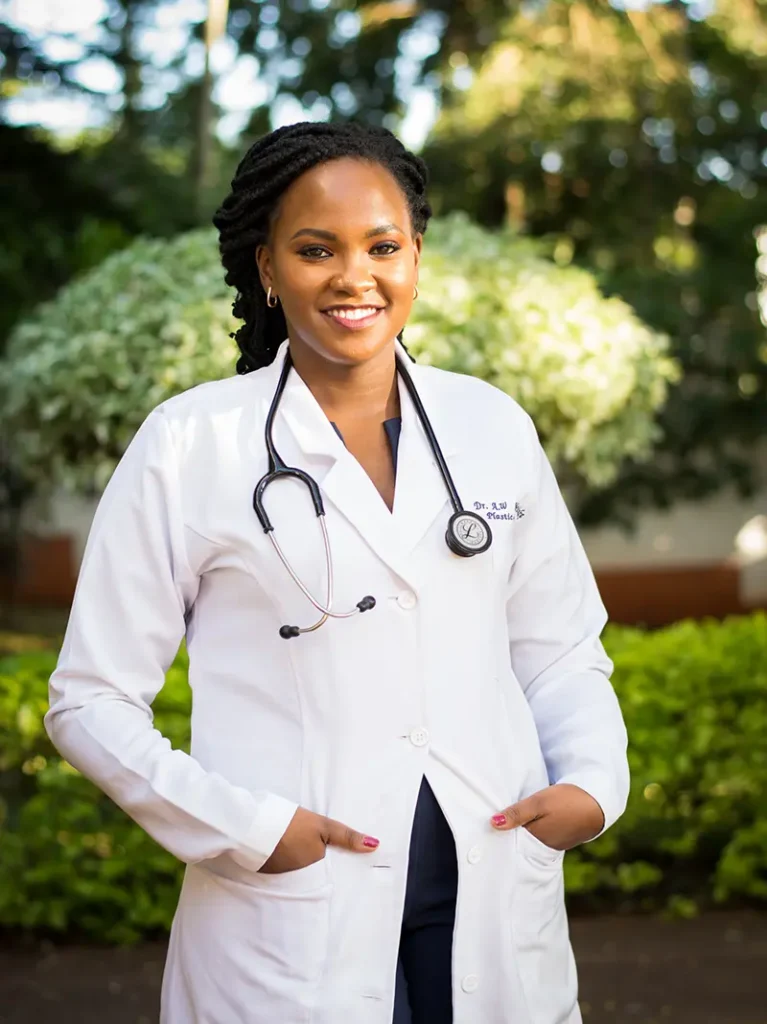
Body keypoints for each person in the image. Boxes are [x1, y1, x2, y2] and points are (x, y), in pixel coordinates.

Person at [45, 121, 630, 1024]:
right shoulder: (192, 442)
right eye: (315, 249)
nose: (355, 276)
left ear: (416, 257)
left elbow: (558, 650)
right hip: (291, 901)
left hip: (491, 875)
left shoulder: (490, 426)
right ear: (267, 268)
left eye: (382, 246)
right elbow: (89, 700)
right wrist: (246, 828)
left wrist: (592, 784)